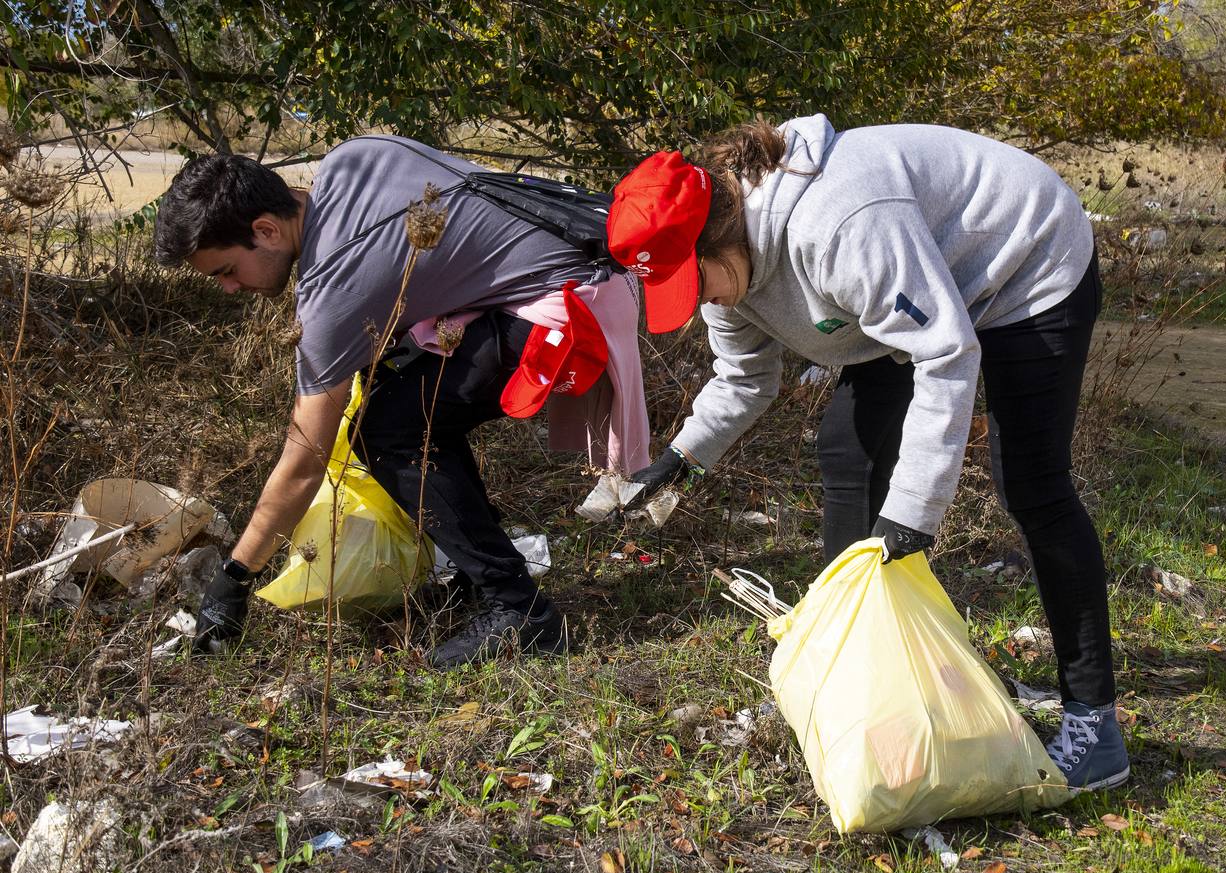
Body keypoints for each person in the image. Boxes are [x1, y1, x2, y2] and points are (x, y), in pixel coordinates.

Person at [607, 115, 1127, 791]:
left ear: (718, 232)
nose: (698, 297)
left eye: (693, 278)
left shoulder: (840, 224)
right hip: (916, 289)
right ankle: (853, 678)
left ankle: (1094, 724)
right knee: (846, 453)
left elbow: (944, 352)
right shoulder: (725, 270)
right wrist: (678, 458)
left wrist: (912, 513)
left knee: (1031, 485)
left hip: (1024, 259)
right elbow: (742, 379)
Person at [153, 135, 647, 668]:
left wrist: (236, 577)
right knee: (404, 410)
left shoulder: (332, 290)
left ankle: (519, 611)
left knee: (388, 431)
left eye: (226, 271)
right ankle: (476, 573)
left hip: (571, 307)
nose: (229, 288)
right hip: (593, 264)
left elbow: (304, 461)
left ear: (266, 230)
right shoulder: (352, 158)